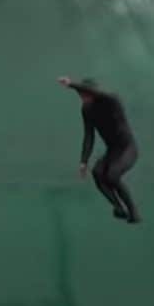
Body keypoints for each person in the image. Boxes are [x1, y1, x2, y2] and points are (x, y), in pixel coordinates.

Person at [57, 76, 141, 224]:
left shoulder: (112, 100)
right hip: (113, 151)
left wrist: (71, 84)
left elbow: (97, 92)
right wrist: (83, 161)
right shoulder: (87, 109)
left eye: (85, 93)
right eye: (80, 95)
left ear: (93, 93)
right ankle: (118, 208)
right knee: (97, 173)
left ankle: (134, 213)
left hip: (127, 149)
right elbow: (89, 135)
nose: (82, 97)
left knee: (112, 176)